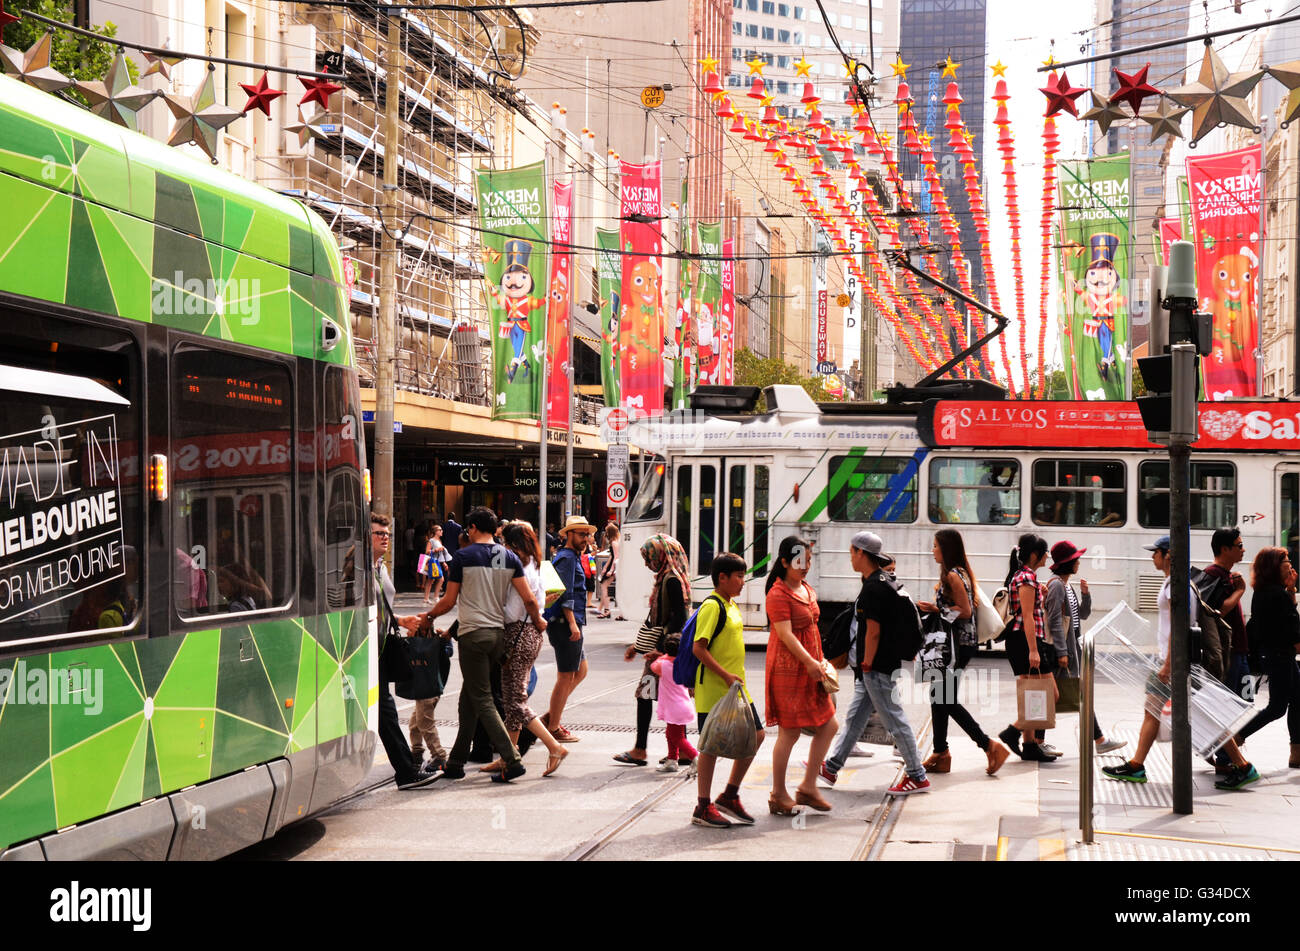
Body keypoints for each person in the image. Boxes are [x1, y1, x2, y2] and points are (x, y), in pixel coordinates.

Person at [1103, 536, 1258, 789]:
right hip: (1171, 660)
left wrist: (1167, 664)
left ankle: (1242, 765)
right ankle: (1136, 765)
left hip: (1176, 663)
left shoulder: (1179, 586)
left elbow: (1181, 624)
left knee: (1203, 714)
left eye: (1156, 552)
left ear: (1168, 555)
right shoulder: (1174, 583)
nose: (1152, 556)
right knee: (1153, 709)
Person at [415, 507, 547, 783]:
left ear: (473, 528)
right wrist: (538, 620)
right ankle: (456, 761)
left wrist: (428, 617)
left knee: (483, 699)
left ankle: (512, 759)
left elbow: (449, 601)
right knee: (469, 699)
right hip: (497, 635)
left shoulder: (463, 557)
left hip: (473, 635)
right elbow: (529, 599)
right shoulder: (508, 556)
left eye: (468, 528)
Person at [819, 532, 929, 796]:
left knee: (894, 719)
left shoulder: (873, 588)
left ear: (861, 552)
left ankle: (917, 775)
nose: (850, 559)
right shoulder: (885, 580)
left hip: (877, 665)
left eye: (852, 553)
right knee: (856, 717)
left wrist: (866, 662)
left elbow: (874, 631)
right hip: (880, 663)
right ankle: (831, 767)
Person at [914, 529, 1012, 775]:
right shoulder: (959, 573)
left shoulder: (954, 576)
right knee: (939, 698)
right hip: (957, 645)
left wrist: (936, 611)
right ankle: (940, 753)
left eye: (935, 546)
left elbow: (966, 611)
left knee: (945, 700)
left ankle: (989, 746)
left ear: (946, 548)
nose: (932, 550)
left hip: (956, 646)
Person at [478, 521, 569, 777]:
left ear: (515, 544)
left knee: (515, 702)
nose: (502, 547)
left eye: (505, 543)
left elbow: (518, 608)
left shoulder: (520, 568)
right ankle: (510, 754)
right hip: (529, 635)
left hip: (519, 635)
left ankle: (554, 746)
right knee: (512, 699)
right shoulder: (536, 565)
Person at [764, 536, 838, 814]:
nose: (805, 566)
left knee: (829, 726)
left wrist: (818, 661)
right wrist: (809, 661)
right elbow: (784, 633)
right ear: (784, 562)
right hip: (789, 670)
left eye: (808, 560)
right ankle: (778, 794)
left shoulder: (806, 588)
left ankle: (808, 787)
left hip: (811, 668)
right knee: (790, 732)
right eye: (799, 561)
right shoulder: (778, 594)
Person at [691, 551, 765, 827]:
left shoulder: (730, 604)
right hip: (715, 688)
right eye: (738, 576)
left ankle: (730, 795)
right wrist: (723, 675)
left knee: (757, 735)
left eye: (743, 576)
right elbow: (699, 648)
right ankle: (702, 806)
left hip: (736, 689)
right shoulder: (713, 606)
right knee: (710, 748)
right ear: (722, 578)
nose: (743, 582)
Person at [370, 513, 438, 790]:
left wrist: (400, 620)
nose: (385, 537)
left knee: (384, 710)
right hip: (363, 651)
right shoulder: (357, 569)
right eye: (378, 533)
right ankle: (406, 771)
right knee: (385, 711)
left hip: (381, 647)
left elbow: (379, 608)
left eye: (387, 533)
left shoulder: (380, 567)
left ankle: (406, 770)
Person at [1042, 540, 1126, 757]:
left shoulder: (1067, 585)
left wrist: (1086, 595)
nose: (1079, 562)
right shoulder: (1057, 585)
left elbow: (1081, 616)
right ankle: (1099, 740)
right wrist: (1061, 652)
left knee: (1060, 695)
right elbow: (1055, 621)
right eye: (1075, 559)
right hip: (1063, 650)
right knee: (1069, 695)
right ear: (1066, 562)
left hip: (1072, 647)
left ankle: (1035, 740)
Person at [614, 534, 689, 767]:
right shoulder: (668, 577)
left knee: (644, 695)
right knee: (673, 698)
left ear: (661, 556)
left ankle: (640, 749)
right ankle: (681, 750)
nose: (647, 564)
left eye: (649, 558)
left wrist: (661, 650)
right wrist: (638, 647)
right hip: (666, 650)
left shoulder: (670, 580)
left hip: (664, 652)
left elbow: (679, 618)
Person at [1232, 547, 1300, 769]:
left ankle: (1296, 752)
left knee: (1298, 699)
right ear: (1273, 566)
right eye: (1286, 561)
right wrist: (1289, 592)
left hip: (1278, 655)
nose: (1290, 564)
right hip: (1280, 655)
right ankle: (1234, 740)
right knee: (1277, 708)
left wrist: (1290, 589)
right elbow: (1292, 628)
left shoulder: (1267, 591)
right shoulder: (1275, 594)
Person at [996, 533, 1060, 763]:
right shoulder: (1025, 579)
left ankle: (1029, 744)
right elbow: (1027, 617)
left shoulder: (1025, 577)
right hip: (1024, 641)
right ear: (1034, 555)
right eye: (1044, 554)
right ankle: (1012, 732)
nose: (1046, 558)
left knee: (1033, 694)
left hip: (1023, 640)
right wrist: (1034, 650)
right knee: (1049, 694)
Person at [543, 515, 595, 743]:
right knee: (565, 676)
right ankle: (553, 726)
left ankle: (549, 717)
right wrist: (573, 624)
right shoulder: (566, 558)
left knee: (580, 671)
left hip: (571, 623)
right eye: (581, 534)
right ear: (567, 535)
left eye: (587, 534)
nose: (586, 538)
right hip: (566, 624)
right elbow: (565, 594)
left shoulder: (571, 556)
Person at [1201, 527, 1251, 698]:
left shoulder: (1227, 575)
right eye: (1239, 545)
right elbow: (1217, 612)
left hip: (1239, 650)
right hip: (1229, 652)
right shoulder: (1213, 574)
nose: (1243, 549)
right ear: (1224, 549)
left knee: (1246, 704)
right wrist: (1240, 590)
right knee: (1229, 703)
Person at [650, 635, 699, 771]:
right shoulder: (682, 663)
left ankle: (695, 757)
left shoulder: (662, 664)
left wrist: (661, 656)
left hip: (673, 709)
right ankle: (672, 760)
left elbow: (654, 666)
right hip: (683, 706)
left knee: (676, 737)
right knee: (672, 734)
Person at [596, 522, 623, 619]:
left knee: (604, 587)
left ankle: (606, 610)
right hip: (612, 566)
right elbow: (612, 556)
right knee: (604, 587)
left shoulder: (614, 543)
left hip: (613, 567)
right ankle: (604, 609)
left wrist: (611, 570)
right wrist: (606, 568)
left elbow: (616, 556)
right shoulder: (615, 541)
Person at [421, 525, 449, 604]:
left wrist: (443, 563)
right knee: (436, 579)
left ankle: (428, 598)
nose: (441, 531)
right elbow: (427, 551)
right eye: (440, 530)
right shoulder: (431, 541)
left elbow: (440, 554)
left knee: (432, 579)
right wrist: (435, 550)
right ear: (436, 532)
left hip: (437, 561)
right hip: (432, 561)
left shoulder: (439, 541)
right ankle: (434, 597)